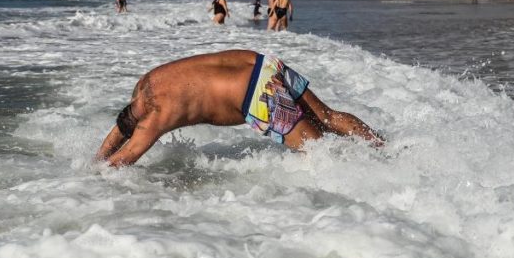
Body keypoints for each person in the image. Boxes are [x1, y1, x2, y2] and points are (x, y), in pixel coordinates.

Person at [95, 50, 383, 167]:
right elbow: (123, 126)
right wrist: (97, 155)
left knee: (317, 152)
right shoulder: (145, 83)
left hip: (258, 94)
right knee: (326, 116)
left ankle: (369, 178)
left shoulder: (154, 116)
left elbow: (124, 158)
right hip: (262, 64)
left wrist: (92, 177)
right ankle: (381, 147)